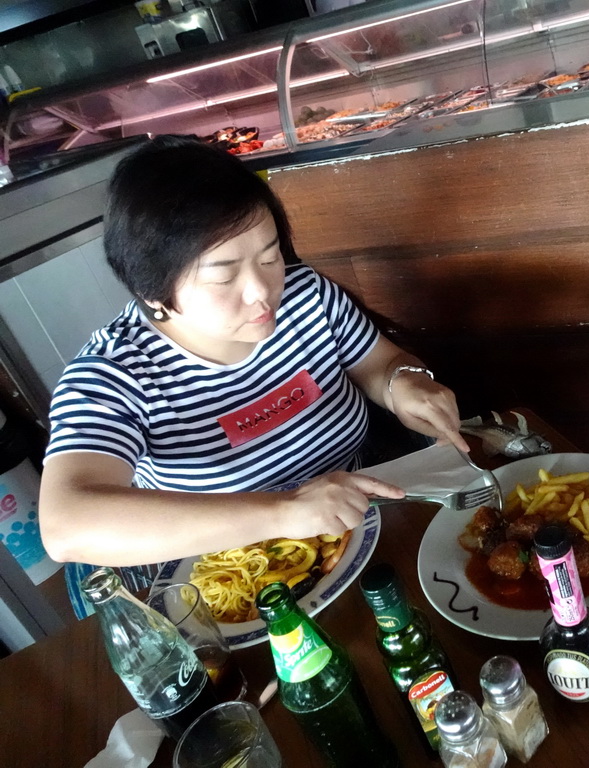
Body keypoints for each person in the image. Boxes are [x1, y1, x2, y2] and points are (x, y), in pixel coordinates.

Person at [39, 135, 470, 576]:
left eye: (270, 257)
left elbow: (380, 366)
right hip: (242, 584)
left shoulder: (306, 297)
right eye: (223, 277)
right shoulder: (114, 375)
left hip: (364, 529)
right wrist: (284, 512)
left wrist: (407, 385)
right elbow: (66, 527)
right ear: (152, 290)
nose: (263, 292)